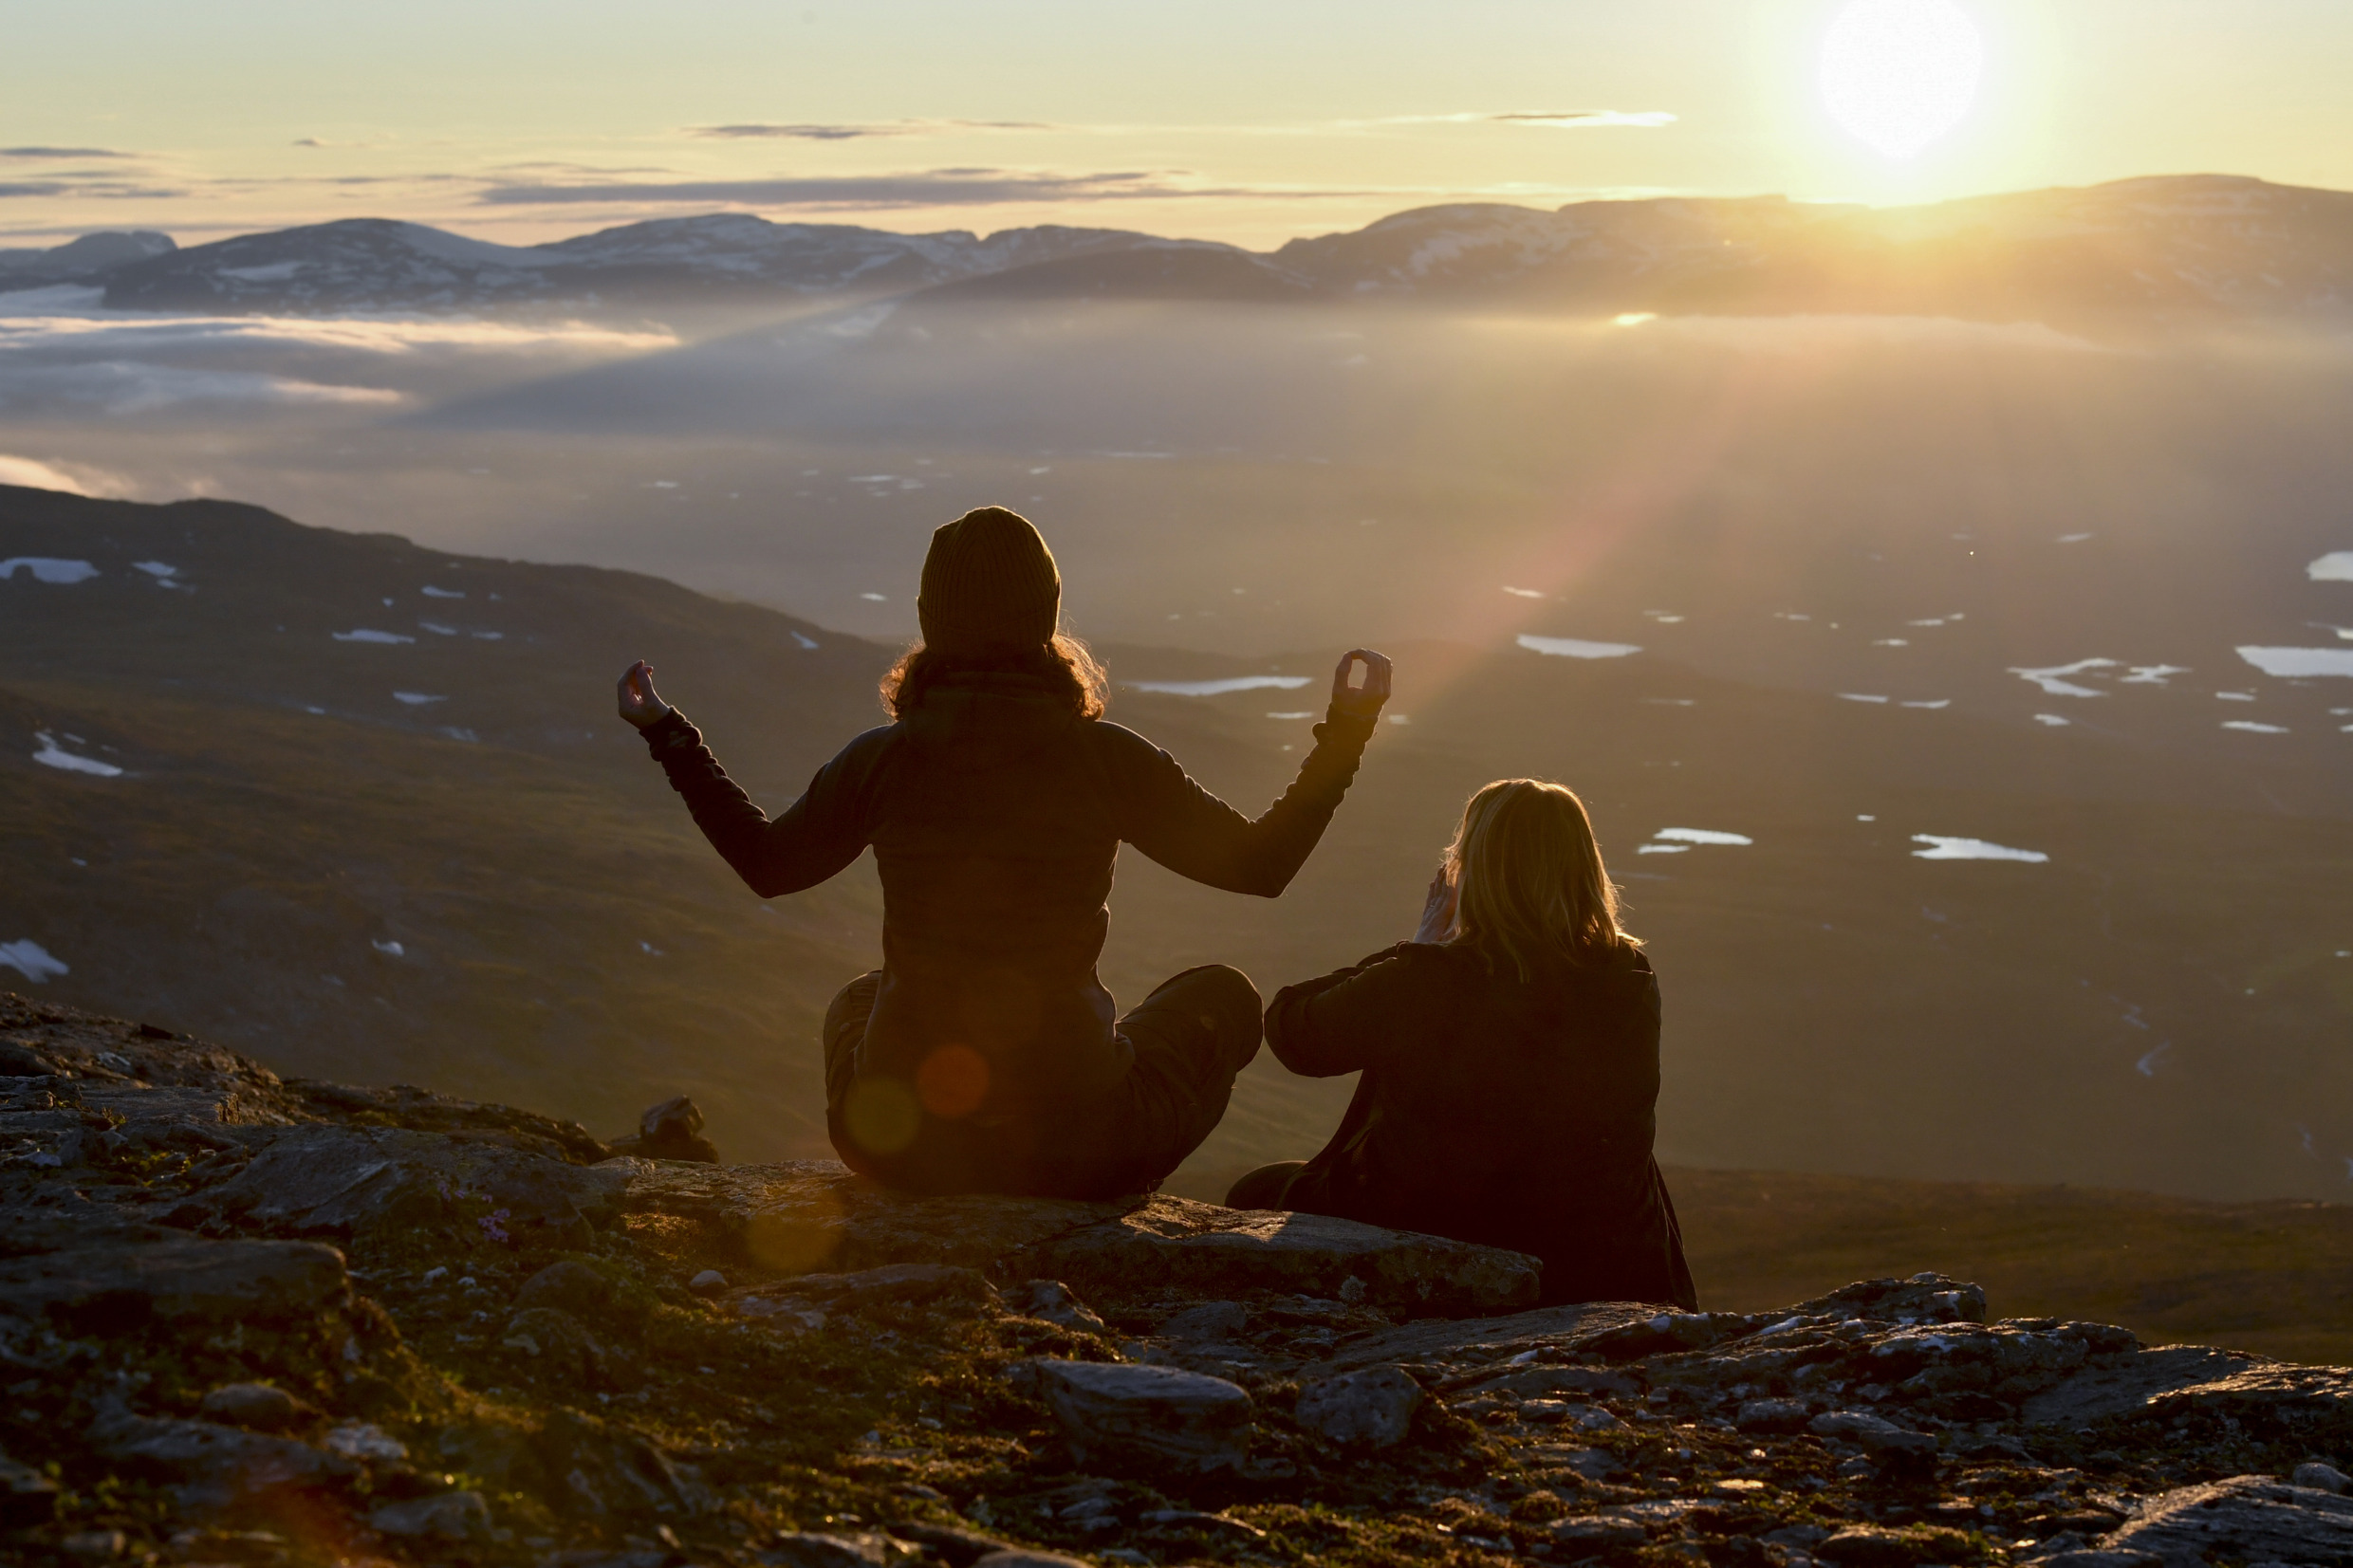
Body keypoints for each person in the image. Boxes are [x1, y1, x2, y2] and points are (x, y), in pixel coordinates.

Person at [616, 505, 1392, 1199]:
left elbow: (769, 865)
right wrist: (1346, 732)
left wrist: (670, 737)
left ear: (931, 618)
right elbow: (1260, 867)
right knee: (1222, 995)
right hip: (1070, 1142)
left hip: (904, 1147)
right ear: (1046, 613)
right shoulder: (1104, 759)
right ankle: (1108, 1178)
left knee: (861, 999)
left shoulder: (885, 759)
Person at [1226, 778, 1696, 1309]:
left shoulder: (1437, 978)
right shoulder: (1630, 976)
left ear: (1476, 869)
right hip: (1605, 1256)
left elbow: (1294, 1032)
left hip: (1444, 1229)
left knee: (1256, 1195)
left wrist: (1420, 947)